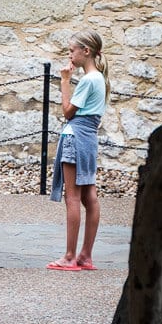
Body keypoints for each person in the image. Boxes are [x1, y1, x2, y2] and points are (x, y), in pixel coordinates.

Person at [47, 29, 110, 272]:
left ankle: (70, 256)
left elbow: (68, 112)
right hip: (89, 139)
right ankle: (85, 255)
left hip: (76, 136)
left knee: (72, 196)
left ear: (86, 51)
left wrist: (64, 81)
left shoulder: (88, 79)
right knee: (89, 196)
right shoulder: (100, 79)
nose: (69, 55)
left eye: (72, 50)